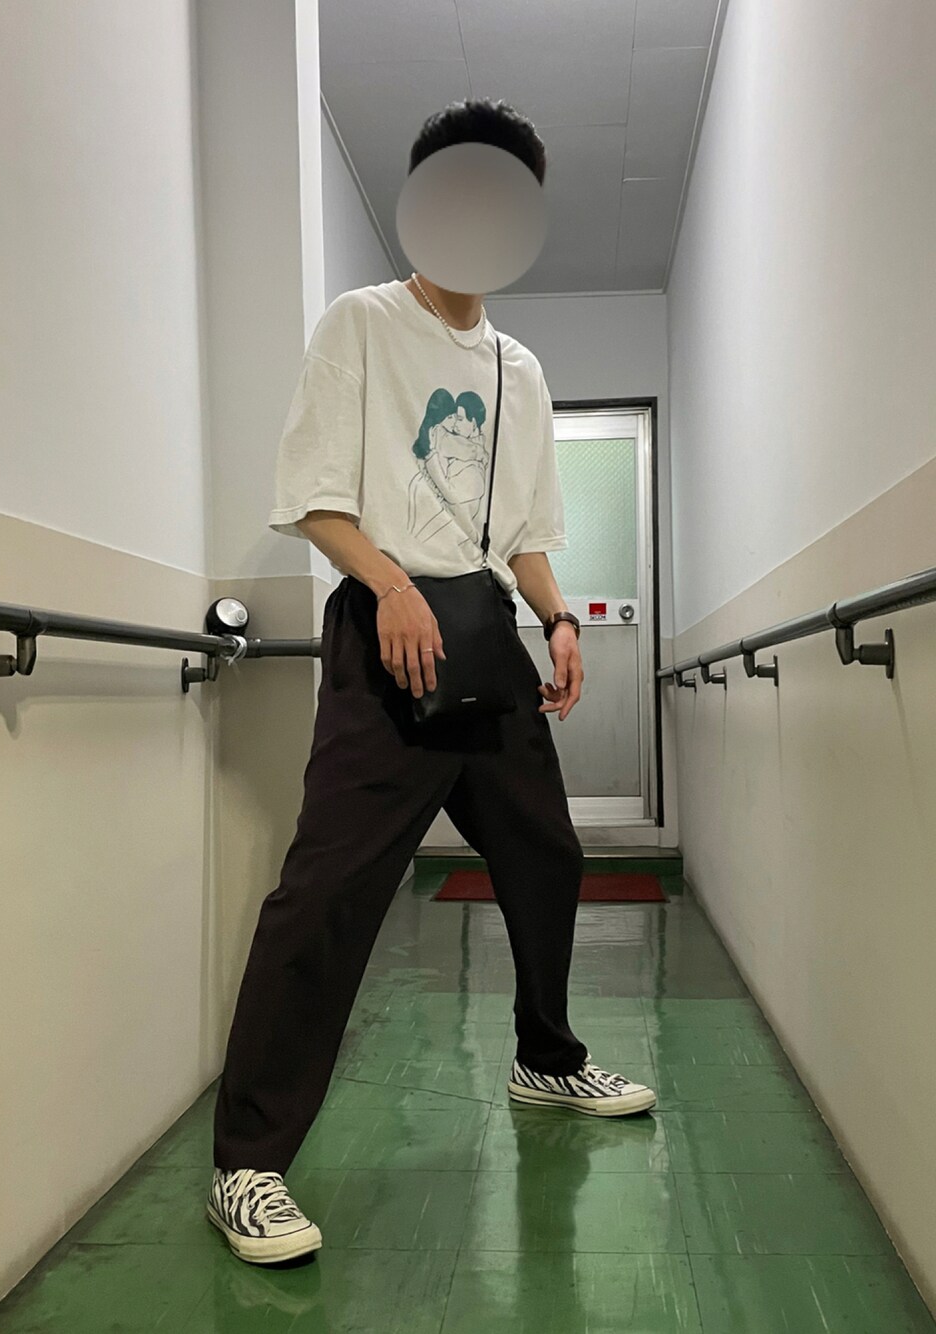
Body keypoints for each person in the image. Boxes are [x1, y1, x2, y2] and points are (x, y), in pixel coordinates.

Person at [206, 98, 657, 1266]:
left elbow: (524, 532)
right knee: (325, 892)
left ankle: (546, 1057)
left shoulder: (521, 368)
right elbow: (315, 497)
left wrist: (559, 619)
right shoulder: (360, 324)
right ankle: (247, 1163)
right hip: (385, 634)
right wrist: (389, 584)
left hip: (485, 636)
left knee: (547, 855)